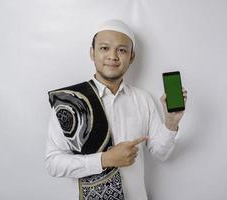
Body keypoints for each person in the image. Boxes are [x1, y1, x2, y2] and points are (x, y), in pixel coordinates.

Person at [45, 19, 187, 200]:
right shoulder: (69, 102)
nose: (113, 56)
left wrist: (171, 122)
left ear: (132, 57)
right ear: (92, 53)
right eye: (104, 48)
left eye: (122, 50)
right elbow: (53, 163)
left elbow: (161, 153)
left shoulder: (143, 100)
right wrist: (105, 159)